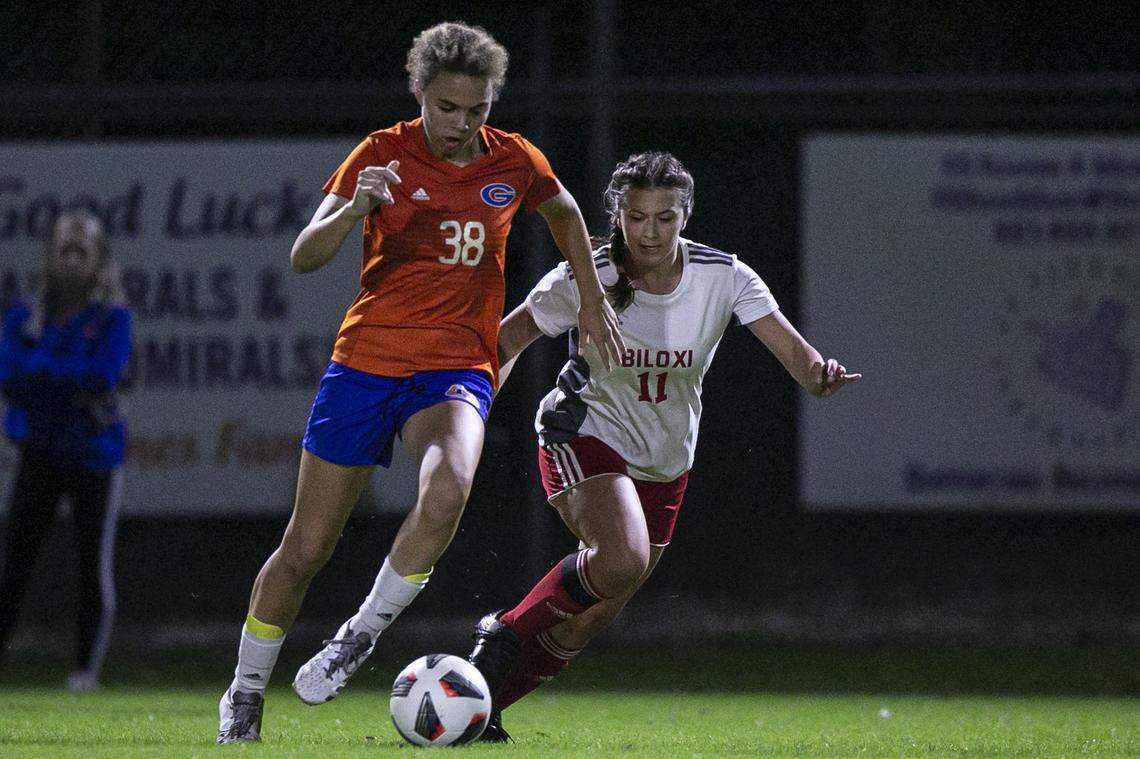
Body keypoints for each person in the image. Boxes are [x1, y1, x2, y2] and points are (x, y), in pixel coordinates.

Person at [216, 21, 624, 744]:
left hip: (456, 367)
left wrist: (589, 295)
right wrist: (354, 208)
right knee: (306, 547)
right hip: (365, 366)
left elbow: (563, 211)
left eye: (477, 110)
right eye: (446, 108)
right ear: (420, 96)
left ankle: (361, 632)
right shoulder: (380, 153)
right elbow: (304, 256)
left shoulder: (515, 161)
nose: (461, 126)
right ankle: (246, 687)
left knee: (448, 488)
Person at [465, 151, 861, 741]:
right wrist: (467, 407)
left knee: (589, 617)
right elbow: (506, 340)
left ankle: (477, 708)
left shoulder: (724, 277)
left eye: (665, 218)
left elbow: (804, 365)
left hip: (666, 463)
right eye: (637, 217)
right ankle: (501, 636)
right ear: (617, 216)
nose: (650, 232)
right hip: (583, 433)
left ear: (686, 217)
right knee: (620, 556)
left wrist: (822, 376)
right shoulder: (586, 276)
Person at [0, 209, 133, 693]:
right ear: (50, 257)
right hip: (38, 451)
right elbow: (8, 375)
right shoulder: (26, 313)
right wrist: (62, 375)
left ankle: (84, 671)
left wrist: (44, 373)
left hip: (94, 456)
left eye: (83, 250)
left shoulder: (111, 317)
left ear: (99, 260)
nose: (72, 258)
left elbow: (101, 375)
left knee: (90, 565)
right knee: (14, 564)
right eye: (64, 249)